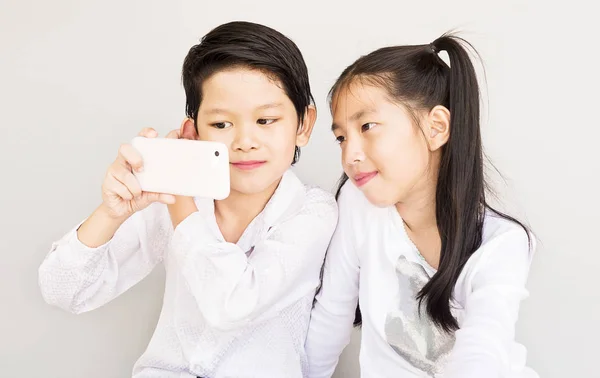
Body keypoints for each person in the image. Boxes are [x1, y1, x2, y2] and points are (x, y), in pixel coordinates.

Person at [38, 21, 337, 378]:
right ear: (194, 131)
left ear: (303, 125)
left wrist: (182, 206)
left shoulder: (311, 211)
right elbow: (63, 291)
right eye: (222, 124)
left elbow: (233, 306)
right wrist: (111, 213)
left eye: (266, 120)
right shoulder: (175, 200)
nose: (245, 141)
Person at [306, 34, 538, 378]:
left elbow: (483, 351)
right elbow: (330, 320)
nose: (349, 155)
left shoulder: (501, 243)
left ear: (436, 127)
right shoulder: (359, 205)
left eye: (367, 126)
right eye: (342, 137)